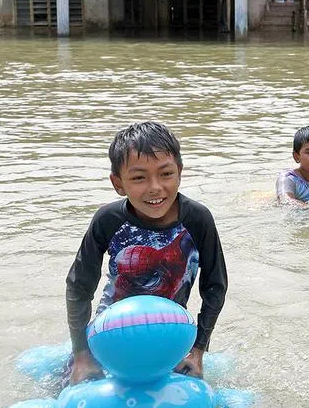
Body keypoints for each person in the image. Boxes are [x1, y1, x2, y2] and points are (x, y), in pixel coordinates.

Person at [65, 122, 227, 384]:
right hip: (112, 330)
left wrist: (197, 351)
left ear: (180, 173)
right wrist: (82, 355)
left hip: (170, 331)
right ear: (118, 184)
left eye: (166, 174)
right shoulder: (108, 220)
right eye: (139, 177)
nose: (155, 187)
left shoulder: (198, 219)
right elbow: (78, 287)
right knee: (67, 387)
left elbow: (215, 286)